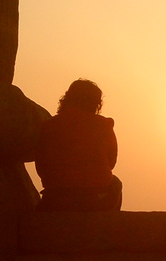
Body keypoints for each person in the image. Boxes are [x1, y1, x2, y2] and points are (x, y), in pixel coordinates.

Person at [34, 79, 122, 211]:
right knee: (115, 184)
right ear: (95, 103)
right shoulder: (103, 125)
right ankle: (107, 225)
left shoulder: (49, 126)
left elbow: (41, 164)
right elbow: (111, 162)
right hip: (92, 197)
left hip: (56, 195)